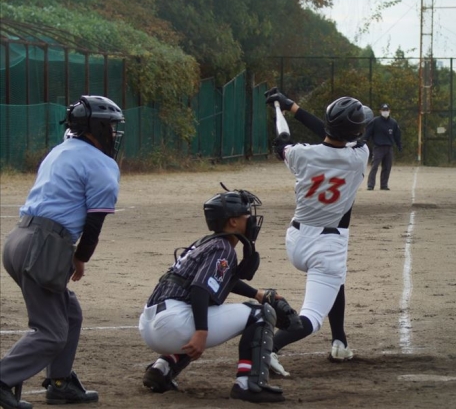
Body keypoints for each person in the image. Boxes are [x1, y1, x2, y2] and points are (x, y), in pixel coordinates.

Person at [1, 96, 125, 409]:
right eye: (111, 126)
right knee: (51, 333)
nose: (114, 133)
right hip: (44, 246)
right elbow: (94, 225)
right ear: (96, 127)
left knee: (69, 312)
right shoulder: (102, 164)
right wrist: (80, 258)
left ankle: (60, 382)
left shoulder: (60, 150)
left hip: (19, 239)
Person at [139, 187, 291, 403]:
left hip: (152, 322)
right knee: (260, 314)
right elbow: (200, 289)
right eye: (246, 215)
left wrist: (257, 293)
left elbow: (220, 278)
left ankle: (163, 367)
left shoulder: (206, 242)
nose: (251, 220)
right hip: (172, 324)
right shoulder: (223, 248)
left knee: (211, 309)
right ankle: (248, 384)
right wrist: (201, 332)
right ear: (233, 222)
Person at [263, 87, 373, 377]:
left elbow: (289, 145)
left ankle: (340, 341)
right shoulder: (359, 156)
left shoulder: (300, 154)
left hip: (296, 240)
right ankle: (268, 348)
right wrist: (293, 107)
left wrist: (286, 119)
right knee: (311, 318)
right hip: (326, 246)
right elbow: (337, 136)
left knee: (336, 280)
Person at [363, 103, 402, 190]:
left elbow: (397, 135)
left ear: (389, 111)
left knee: (387, 167)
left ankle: (384, 185)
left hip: (389, 147)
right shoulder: (375, 121)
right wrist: (365, 139)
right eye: (383, 110)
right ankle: (370, 185)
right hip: (378, 147)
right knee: (374, 166)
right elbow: (368, 132)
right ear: (380, 111)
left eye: (387, 110)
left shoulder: (393, 123)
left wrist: (399, 144)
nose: (385, 112)